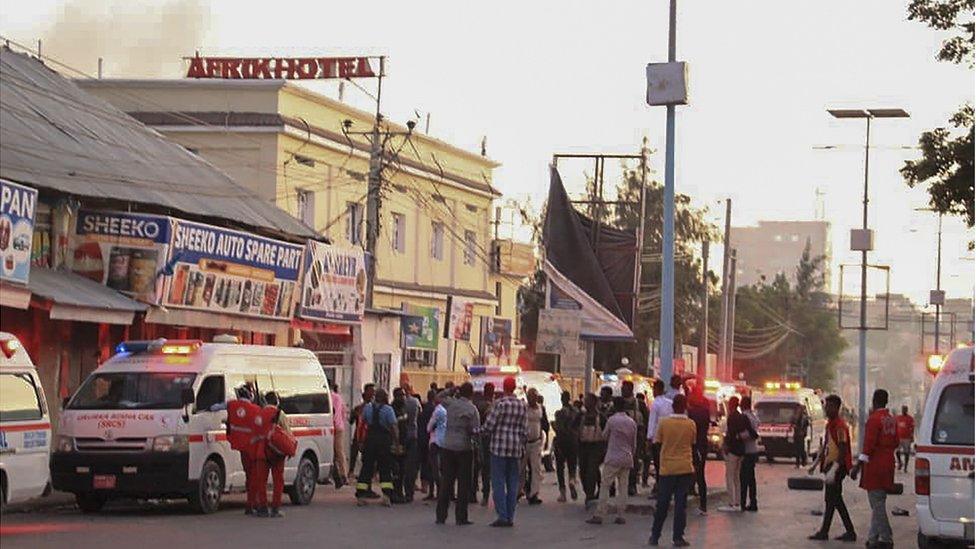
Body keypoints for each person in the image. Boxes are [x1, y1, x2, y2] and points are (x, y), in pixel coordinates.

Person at [850, 389, 898, 549]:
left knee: (876, 504)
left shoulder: (874, 420)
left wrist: (857, 466)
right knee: (879, 501)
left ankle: (886, 537)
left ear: (874, 400)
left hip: (876, 464)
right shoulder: (891, 419)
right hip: (889, 463)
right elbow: (896, 441)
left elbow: (868, 445)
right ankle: (873, 538)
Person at [808, 394, 857, 543]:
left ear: (837, 407)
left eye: (829, 406)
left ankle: (847, 531)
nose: (826, 409)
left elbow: (842, 449)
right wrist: (816, 463)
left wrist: (834, 469)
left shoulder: (840, 426)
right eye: (826, 406)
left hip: (838, 466)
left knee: (834, 500)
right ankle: (830, 531)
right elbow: (826, 446)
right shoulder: (830, 424)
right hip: (831, 465)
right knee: (833, 500)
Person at [648, 394, 696, 547]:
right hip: (684, 467)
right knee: (681, 504)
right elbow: (692, 444)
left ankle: (655, 536)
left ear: (672, 406)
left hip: (667, 468)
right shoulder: (691, 424)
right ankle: (678, 537)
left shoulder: (663, 423)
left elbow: (657, 443)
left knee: (662, 503)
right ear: (685, 407)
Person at [482, 376, 527, 527]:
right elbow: (525, 430)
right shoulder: (522, 406)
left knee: (498, 482)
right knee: (513, 482)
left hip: (498, 449)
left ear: (503, 387)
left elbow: (488, 427)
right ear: (514, 387)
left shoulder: (499, 404)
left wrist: (476, 431)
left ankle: (502, 515)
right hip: (515, 449)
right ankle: (510, 516)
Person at [586, 396, 637, 525]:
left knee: (605, 485)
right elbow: (633, 443)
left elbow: (604, 436)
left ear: (615, 406)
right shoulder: (631, 422)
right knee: (623, 487)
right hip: (627, 457)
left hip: (613, 457)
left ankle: (600, 514)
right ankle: (621, 515)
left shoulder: (612, 420)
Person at [435, 383, 480, 525]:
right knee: (463, 484)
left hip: (447, 446)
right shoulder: (472, 409)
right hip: (464, 448)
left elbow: (438, 396)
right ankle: (461, 517)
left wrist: (451, 389)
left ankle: (441, 516)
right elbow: (475, 430)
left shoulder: (451, 404)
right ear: (471, 394)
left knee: (446, 482)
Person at [356, 388, 399, 506]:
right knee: (385, 468)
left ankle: (360, 496)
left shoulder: (368, 408)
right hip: (383, 441)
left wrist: (360, 441)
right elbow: (394, 428)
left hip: (370, 440)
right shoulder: (388, 410)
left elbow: (361, 425)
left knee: (366, 468)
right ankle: (386, 496)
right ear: (385, 397)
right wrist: (396, 443)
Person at [224, 383, 262, 515]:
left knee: (249, 475)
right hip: (254, 447)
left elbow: (215, 406)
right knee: (255, 477)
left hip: (241, 447)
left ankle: (252, 503)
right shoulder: (256, 409)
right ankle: (253, 504)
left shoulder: (231, 405)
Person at [256, 392, 290, 518]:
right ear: (277, 401)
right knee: (278, 481)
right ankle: (275, 508)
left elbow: (255, 432)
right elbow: (287, 433)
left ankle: (263, 508)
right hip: (277, 453)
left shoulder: (259, 414)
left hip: (262, 452)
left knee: (261, 481)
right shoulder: (280, 414)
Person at [717, 395, 752, 512]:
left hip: (732, 450)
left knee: (729, 476)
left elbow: (730, 434)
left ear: (731, 405)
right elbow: (749, 431)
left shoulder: (731, 417)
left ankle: (731, 502)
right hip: (741, 450)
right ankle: (738, 501)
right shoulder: (743, 417)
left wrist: (726, 446)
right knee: (737, 477)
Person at [576, 392, 607, 505]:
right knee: (583, 471)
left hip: (596, 446)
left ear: (594, 403)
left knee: (592, 470)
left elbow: (607, 432)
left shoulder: (601, 417)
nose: (585, 403)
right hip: (583, 446)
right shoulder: (580, 416)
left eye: (588, 401)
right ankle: (590, 492)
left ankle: (590, 495)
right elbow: (573, 428)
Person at [686, 384, 711, 515]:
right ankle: (703, 505)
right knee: (700, 475)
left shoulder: (691, 412)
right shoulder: (705, 410)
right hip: (702, 445)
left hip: (692, 445)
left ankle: (686, 497)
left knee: (687, 472)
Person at [646, 379, 673, 494]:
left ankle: (659, 487)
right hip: (669, 438)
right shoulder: (670, 403)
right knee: (666, 464)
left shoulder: (655, 404)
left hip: (657, 439)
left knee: (658, 464)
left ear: (657, 390)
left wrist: (649, 439)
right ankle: (666, 486)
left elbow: (652, 422)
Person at [553, 390, 580, 503]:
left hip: (561, 442)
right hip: (573, 442)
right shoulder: (576, 411)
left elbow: (559, 428)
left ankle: (563, 493)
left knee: (560, 467)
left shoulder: (559, 413)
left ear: (561, 399)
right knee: (572, 465)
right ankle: (572, 480)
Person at [524, 387, 548, 505]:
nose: (531, 399)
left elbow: (544, 424)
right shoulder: (523, 408)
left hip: (536, 442)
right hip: (524, 443)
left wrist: (544, 441)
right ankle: (519, 490)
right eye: (529, 397)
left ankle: (534, 494)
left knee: (536, 469)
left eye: (533, 396)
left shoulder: (541, 408)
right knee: (521, 469)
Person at [473, 382, 495, 505]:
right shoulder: (491, 406)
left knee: (475, 465)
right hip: (488, 439)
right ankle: (485, 495)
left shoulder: (478, 404)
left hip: (476, 437)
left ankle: (473, 490)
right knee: (487, 468)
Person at [348, 383, 376, 482]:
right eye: (371, 391)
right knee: (354, 453)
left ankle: (370, 475)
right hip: (359, 435)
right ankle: (351, 472)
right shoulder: (359, 408)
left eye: (374, 392)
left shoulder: (375, 408)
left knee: (369, 457)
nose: (373, 394)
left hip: (370, 436)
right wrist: (353, 414)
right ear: (365, 394)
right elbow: (351, 421)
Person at [620, 380, 643, 496]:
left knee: (633, 462)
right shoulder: (618, 403)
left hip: (635, 437)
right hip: (620, 438)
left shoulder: (639, 404)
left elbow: (646, 421)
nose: (622, 390)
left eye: (625, 389)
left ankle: (632, 485)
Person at [739, 396, 760, 512]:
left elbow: (746, 434)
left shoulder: (745, 417)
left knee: (744, 478)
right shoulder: (754, 416)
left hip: (746, 451)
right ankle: (753, 502)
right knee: (751, 479)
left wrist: (738, 437)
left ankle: (742, 502)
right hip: (753, 450)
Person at [426, 391, 448, 501]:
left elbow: (429, 427)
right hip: (443, 442)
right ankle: (441, 492)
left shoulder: (437, 411)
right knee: (442, 468)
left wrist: (430, 427)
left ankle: (439, 491)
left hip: (435, 441)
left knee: (434, 468)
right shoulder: (445, 411)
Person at [418, 388, 437, 500]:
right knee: (431, 464)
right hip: (431, 438)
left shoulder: (424, 408)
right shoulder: (434, 409)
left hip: (423, 437)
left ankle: (424, 485)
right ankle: (430, 488)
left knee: (424, 463)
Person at [330, 382, 348, 488]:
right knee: (340, 451)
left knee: (332, 452)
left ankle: (336, 476)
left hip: (330, 426)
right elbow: (343, 413)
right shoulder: (339, 397)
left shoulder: (328, 396)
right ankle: (343, 474)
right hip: (339, 427)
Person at [636, 392, 652, 487]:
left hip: (640, 438)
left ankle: (639, 479)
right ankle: (643, 481)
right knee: (646, 460)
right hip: (644, 437)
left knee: (640, 459)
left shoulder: (636, 411)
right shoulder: (646, 410)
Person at [895, 405, 915, 473]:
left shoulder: (910, 419)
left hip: (907, 438)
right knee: (897, 451)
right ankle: (900, 462)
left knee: (907, 453)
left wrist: (912, 436)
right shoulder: (898, 418)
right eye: (903, 409)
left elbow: (912, 428)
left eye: (905, 409)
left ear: (907, 410)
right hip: (899, 437)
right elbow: (895, 426)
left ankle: (905, 467)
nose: (904, 411)